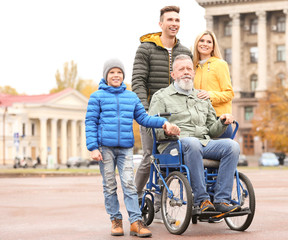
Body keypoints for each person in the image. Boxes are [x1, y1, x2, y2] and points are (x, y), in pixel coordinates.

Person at [85, 58, 179, 237]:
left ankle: (135, 222)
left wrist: (163, 123)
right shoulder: (97, 97)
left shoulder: (131, 97)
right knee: (110, 186)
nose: (116, 75)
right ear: (105, 75)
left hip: (125, 148)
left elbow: (144, 118)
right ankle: (116, 220)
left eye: (119, 72)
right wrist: (92, 147)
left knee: (129, 184)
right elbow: (90, 122)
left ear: (123, 75)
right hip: (104, 148)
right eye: (112, 72)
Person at [148, 54, 241, 214]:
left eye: (189, 69)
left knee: (232, 146)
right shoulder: (161, 96)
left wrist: (222, 122)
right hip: (172, 146)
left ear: (193, 73)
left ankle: (221, 200)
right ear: (173, 74)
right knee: (192, 142)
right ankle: (202, 200)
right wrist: (166, 129)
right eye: (181, 69)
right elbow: (152, 127)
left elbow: (212, 129)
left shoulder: (201, 97)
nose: (186, 72)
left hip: (202, 143)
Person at [131, 5, 192, 217]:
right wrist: (144, 113)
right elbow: (138, 81)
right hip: (151, 114)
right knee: (150, 157)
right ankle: (135, 197)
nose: (174, 24)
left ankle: (160, 201)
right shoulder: (146, 49)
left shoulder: (184, 52)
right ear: (161, 24)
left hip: (177, 115)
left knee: (173, 158)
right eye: (170, 20)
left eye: (177, 20)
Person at [192, 30, 234, 138]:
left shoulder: (220, 64)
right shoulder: (193, 67)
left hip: (218, 120)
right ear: (197, 43)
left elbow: (229, 93)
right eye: (202, 41)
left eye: (209, 42)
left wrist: (210, 95)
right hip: (199, 121)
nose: (205, 44)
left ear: (213, 46)